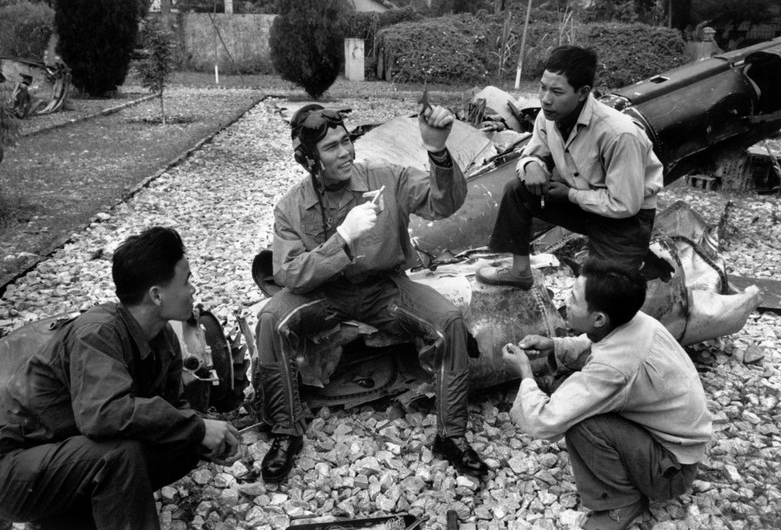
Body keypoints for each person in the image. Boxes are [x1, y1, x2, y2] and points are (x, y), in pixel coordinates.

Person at [255, 101, 488, 483]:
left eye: (346, 141)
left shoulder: (385, 177)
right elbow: (290, 273)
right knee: (270, 320)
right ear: (309, 160)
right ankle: (286, 430)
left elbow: (443, 202)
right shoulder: (291, 208)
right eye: (331, 147)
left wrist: (438, 151)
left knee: (448, 322)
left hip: (384, 289)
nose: (346, 151)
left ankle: (452, 435)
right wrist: (343, 238)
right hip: (325, 294)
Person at [0, 227, 241, 530]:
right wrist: (196, 427)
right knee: (120, 455)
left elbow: (170, 409)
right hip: (14, 471)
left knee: (185, 445)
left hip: (66, 457)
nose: (193, 289)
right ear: (156, 295)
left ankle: (77, 514)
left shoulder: (162, 336)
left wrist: (208, 438)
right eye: (187, 280)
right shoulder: (97, 332)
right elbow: (103, 416)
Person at [502, 258, 712, 530]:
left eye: (574, 299)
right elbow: (598, 341)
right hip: (677, 450)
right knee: (573, 393)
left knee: (581, 422)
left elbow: (544, 420)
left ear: (599, 318)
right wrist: (555, 345)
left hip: (670, 472)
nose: (567, 300)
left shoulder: (613, 368)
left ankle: (621, 503)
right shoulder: (634, 318)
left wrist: (525, 373)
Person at [476, 45, 664, 290]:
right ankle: (520, 272)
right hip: (582, 204)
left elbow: (625, 204)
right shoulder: (548, 117)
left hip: (626, 220)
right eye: (543, 87)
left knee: (601, 296)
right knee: (517, 190)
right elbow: (534, 152)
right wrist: (532, 164)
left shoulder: (619, 134)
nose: (545, 98)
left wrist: (570, 195)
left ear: (583, 92)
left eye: (557, 91)